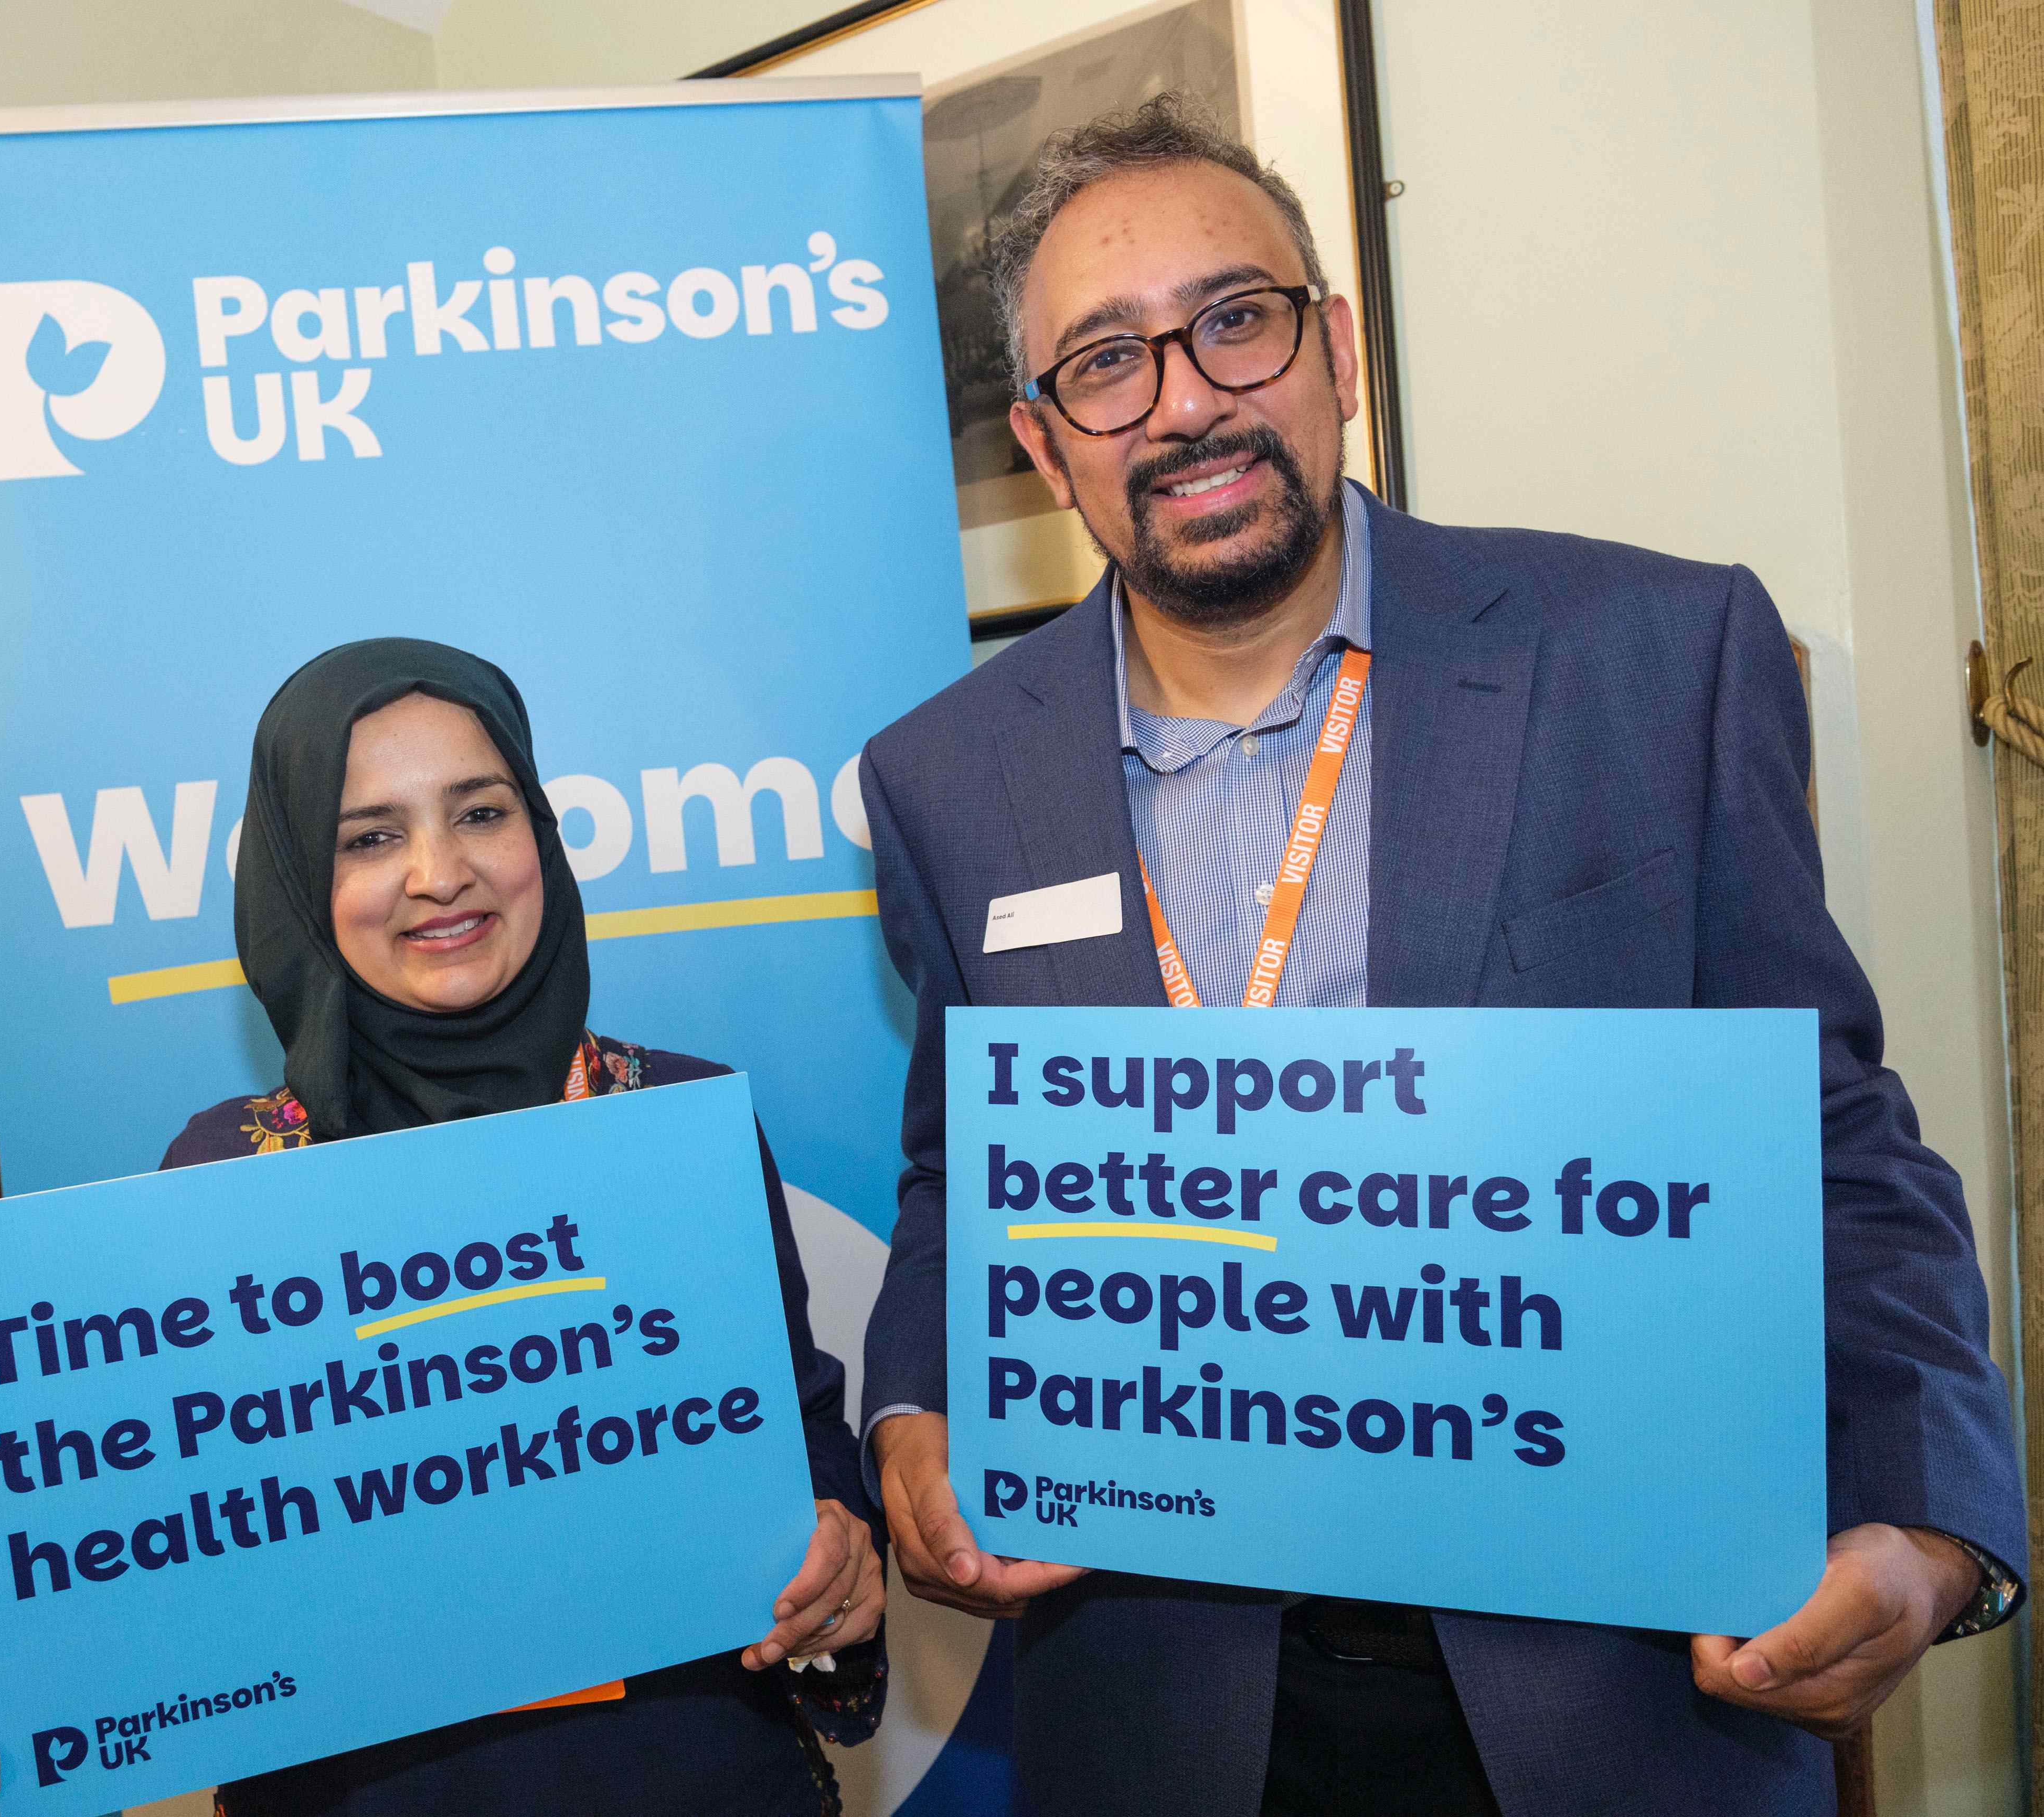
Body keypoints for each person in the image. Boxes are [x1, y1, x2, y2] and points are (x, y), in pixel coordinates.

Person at [854, 95, 2024, 1817]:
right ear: (1044, 444)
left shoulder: (1651, 654)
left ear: (1333, 349)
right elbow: (963, 1173)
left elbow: (1824, 1136)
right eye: (1104, 363)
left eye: (1233, 321)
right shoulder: (945, 778)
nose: (1182, 400)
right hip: (1164, 1702)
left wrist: (1927, 1530)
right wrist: (913, 1410)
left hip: (1614, 1694)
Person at [0, 638, 886, 1814]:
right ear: (298, 878)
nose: (440, 874)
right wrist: (61, 1625)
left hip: (693, 1773)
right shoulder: (222, 1179)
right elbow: (175, 1520)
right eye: (370, 838)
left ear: (540, 834)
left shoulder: (683, 1120)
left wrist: (840, 1536)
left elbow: (795, 1423)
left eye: (481, 812)